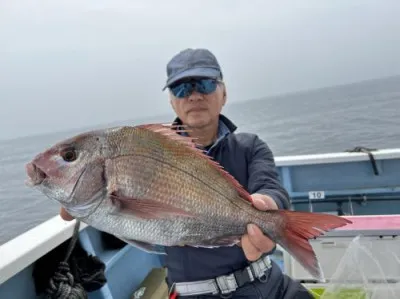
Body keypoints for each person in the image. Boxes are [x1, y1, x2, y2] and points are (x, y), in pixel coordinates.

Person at [60, 48, 314, 299]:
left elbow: (271, 187)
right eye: (181, 88)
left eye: (204, 84)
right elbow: (135, 222)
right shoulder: (151, 153)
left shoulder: (250, 147)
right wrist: (90, 203)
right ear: (172, 101)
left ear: (223, 93)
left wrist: (269, 206)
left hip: (267, 282)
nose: (193, 95)